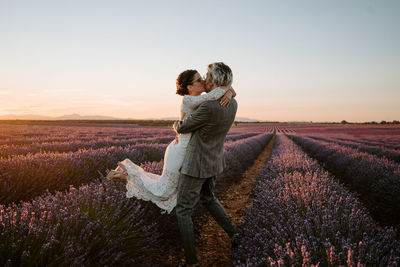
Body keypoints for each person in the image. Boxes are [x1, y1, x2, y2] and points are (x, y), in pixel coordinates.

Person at [106, 68, 236, 215]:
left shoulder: (199, 99)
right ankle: (125, 173)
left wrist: (230, 91)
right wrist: (227, 88)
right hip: (179, 151)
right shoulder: (189, 100)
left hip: (184, 148)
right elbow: (215, 94)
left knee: (167, 188)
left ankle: (125, 173)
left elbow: (218, 93)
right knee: (164, 192)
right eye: (199, 80)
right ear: (189, 87)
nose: (204, 81)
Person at [173, 62, 238, 267]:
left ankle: (191, 262)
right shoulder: (233, 103)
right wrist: (230, 90)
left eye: (207, 77)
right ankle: (234, 235)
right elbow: (225, 91)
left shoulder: (208, 107)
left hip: (196, 164)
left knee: (183, 210)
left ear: (215, 81)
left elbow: (183, 128)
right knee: (209, 198)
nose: (205, 80)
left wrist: (175, 124)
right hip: (214, 161)